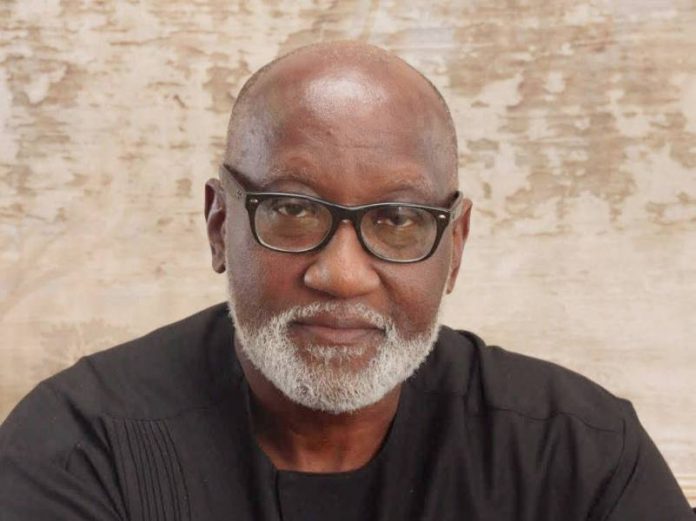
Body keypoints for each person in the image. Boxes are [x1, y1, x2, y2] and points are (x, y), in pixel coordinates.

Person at [0, 41, 692, 521]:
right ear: (219, 225)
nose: (341, 274)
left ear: (454, 246)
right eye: (292, 210)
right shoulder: (80, 449)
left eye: (398, 219)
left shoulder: (578, 454)